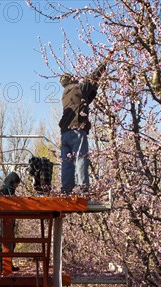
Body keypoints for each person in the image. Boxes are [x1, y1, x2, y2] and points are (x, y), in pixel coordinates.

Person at [58, 51, 113, 194]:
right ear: (72, 80)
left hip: (64, 131)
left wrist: (93, 91)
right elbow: (93, 78)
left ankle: (66, 190)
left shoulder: (65, 94)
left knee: (67, 162)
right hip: (77, 129)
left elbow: (85, 100)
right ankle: (83, 188)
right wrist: (105, 62)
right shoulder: (78, 88)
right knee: (80, 158)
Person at [0, 172, 21, 273]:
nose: (16, 186)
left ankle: (7, 264)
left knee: (11, 243)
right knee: (0, 243)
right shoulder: (2, 190)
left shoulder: (11, 191)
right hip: (0, 220)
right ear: (12, 182)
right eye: (16, 184)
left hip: (9, 221)